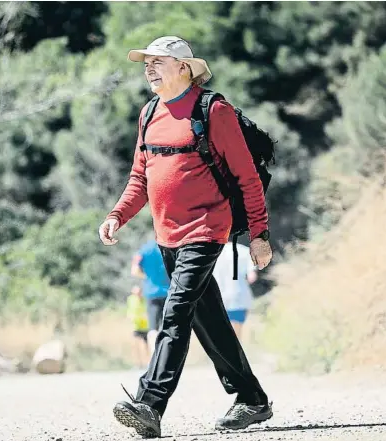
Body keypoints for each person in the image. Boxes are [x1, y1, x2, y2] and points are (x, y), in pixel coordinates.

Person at [98, 36, 274, 438]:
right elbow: (139, 178)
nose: (149, 68)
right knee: (208, 319)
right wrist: (117, 215)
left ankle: (150, 403)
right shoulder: (148, 114)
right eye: (146, 63)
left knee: (175, 312)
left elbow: (248, 179)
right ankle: (252, 398)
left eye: (158, 62)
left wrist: (260, 233)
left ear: (184, 68)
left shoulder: (214, 111)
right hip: (167, 234)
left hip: (208, 228)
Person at [131, 238, 170, 355]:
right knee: (168, 326)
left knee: (153, 328)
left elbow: (134, 270)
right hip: (169, 292)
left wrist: (147, 277)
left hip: (151, 292)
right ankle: (167, 356)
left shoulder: (144, 250)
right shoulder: (168, 247)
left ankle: (154, 356)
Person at [212, 242, 258, 340]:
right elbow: (252, 277)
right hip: (238, 296)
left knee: (220, 330)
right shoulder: (245, 251)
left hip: (217, 297)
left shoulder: (210, 253)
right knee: (236, 332)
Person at [126, 285, 150, 368]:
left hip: (145, 326)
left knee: (145, 346)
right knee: (135, 345)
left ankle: (148, 363)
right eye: (135, 293)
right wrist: (130, 316)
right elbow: (129, 310)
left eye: (139, 292)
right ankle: (137, 364)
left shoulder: (145, 300)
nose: (137, 294)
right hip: (135, 326)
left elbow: (148, 311)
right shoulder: (130, 299)